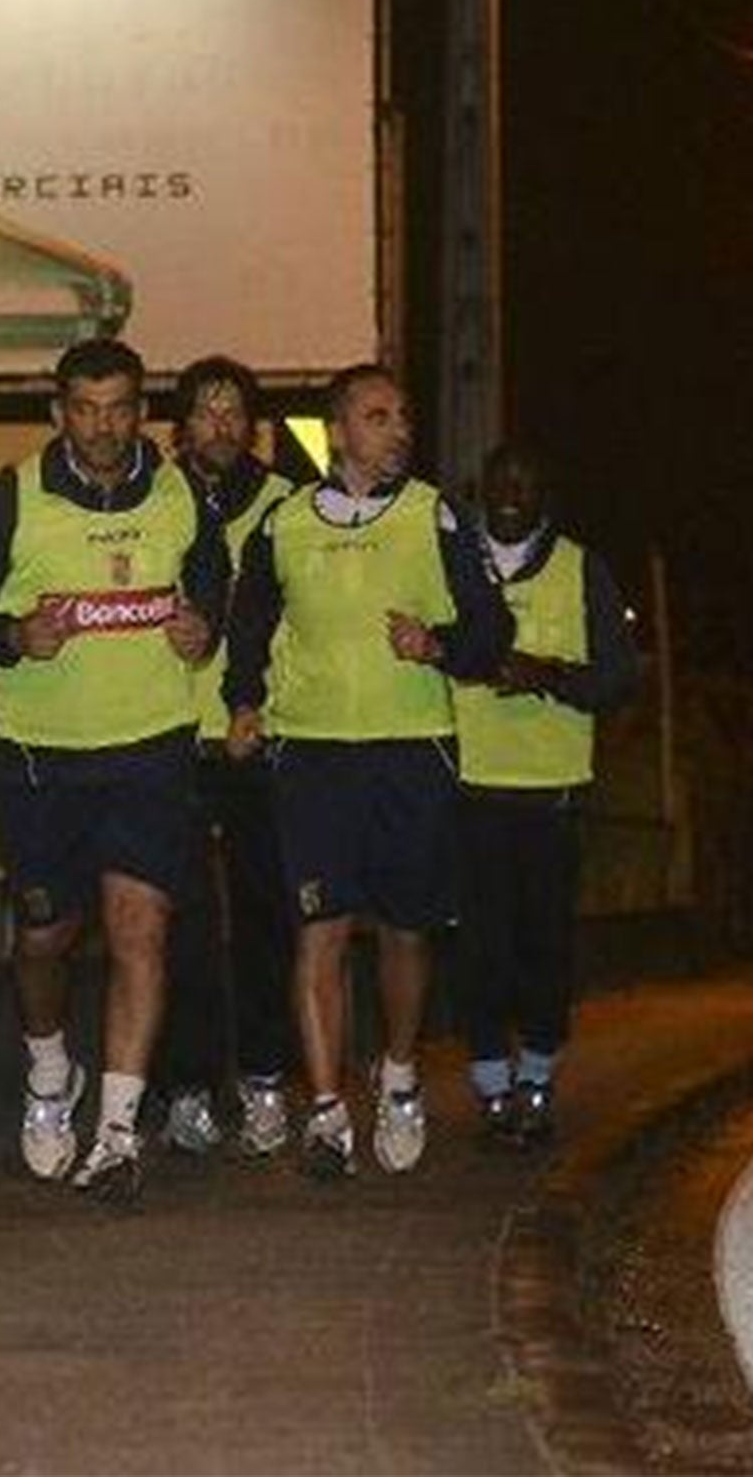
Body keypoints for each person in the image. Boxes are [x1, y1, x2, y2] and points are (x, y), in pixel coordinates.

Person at [0, 336, 226, 1200]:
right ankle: (51, 1074)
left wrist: (202, 622)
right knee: (45, 935)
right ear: (60, 412)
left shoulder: (177, 494)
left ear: (142, 412)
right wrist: (14, 637)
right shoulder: (17, 497)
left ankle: (119, 1134)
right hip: (41, 757)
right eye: (86, 409)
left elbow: (213, 578)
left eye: (120, 407)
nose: (102, 427)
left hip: (150, 748)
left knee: (141, 931)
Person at [223, 363, 510, 1179]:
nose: (398, 430)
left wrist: (439, 646)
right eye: (378, 417)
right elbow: (250, 627)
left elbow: (488, 633)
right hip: (311, 753)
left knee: (404, 928)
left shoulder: (436, 516)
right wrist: (245, 703)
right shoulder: (284, 522)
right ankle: (323, 1111)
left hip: (411, 749)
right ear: (338, 432)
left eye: (403, 416)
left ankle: (399, 1074)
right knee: (318, 927)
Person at [452, 442, 639, 1146]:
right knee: (480, 953)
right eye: (500, 483)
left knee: (544, 951)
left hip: (549, 799)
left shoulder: (580, 567)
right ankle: (490, 1088)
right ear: (482, 489)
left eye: (525, 486)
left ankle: (536, 1078)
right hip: (470, 791)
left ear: (544, 496)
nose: (510, 496)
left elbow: (617, 679)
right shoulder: (455, 565)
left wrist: (546, 674)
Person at [155, 355, 298, 1158]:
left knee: (267, 921)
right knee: (178, 928)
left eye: (234, 410)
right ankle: (186, 1089)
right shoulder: (153, 494)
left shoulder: (287, 504)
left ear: (254, 424)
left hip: (260, 742)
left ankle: (266, 1080)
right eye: (206, 410)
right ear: (181, 425)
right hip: (170, 740)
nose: (221, 424)